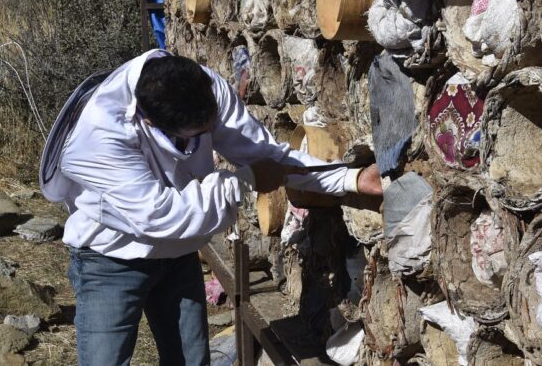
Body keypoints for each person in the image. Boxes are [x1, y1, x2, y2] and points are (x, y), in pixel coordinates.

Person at [39, 49, 383, 366]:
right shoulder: (98, 134)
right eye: (200, 133)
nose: (210, 135)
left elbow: (265, 154)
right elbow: (160, 216)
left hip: (177, 256)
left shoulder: (200, 86)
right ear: (150, 123)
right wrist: (244, 180)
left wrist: (350, 180)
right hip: (111, 258)